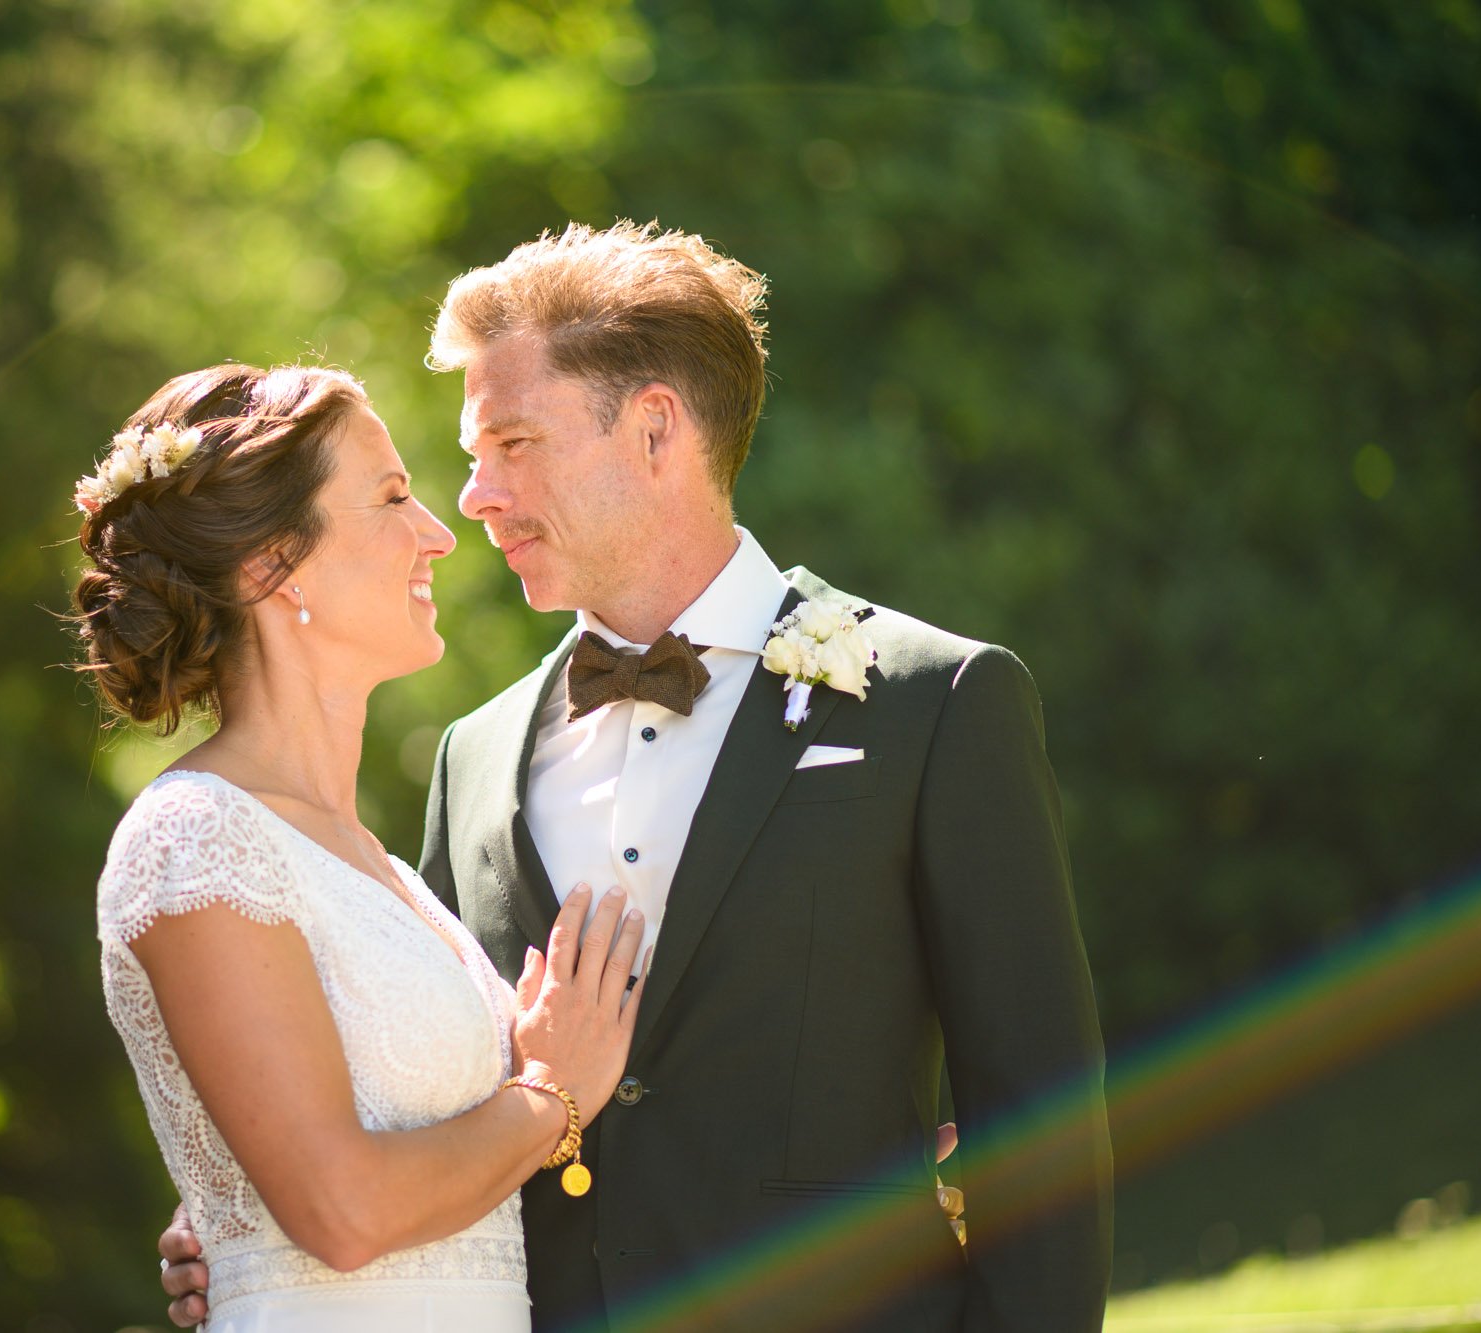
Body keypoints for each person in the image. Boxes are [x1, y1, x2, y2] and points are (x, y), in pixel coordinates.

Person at [160, 222, 1111, 1331]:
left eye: (512, 444)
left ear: (654, 429)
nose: (474, 498)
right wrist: (248, 1226)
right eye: (472, 455)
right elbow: (428, 1089)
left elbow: (1039, 1116)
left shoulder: (933, 704)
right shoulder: (474, 756)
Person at [80, 362, 654, 1331]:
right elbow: (340, 1215)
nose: (436, 533)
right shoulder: (195, 837)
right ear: (271, 564)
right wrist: (550, 1093)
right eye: (391, 497)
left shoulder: (381, 870)